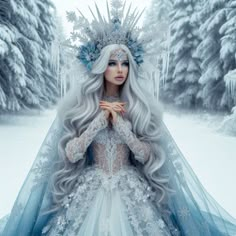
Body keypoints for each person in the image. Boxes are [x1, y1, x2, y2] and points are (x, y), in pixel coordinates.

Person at [1, 1, 236, 236]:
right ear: (101, 66)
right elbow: (71, 153)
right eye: (112, 63)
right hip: (90, 188)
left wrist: (123, 128)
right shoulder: (84, 107)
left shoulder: (137, 108)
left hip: (130, 188)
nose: (120, 69)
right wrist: (98, 122)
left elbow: (146, 156)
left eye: (124, 63)